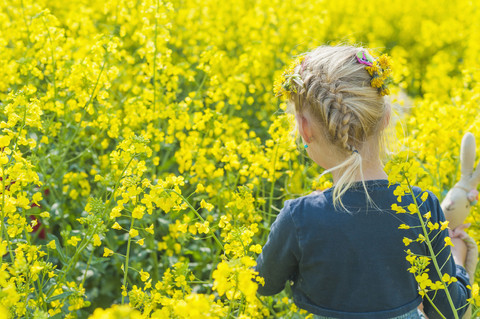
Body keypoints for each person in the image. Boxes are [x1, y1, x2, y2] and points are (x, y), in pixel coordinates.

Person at [255, 45, 471, 319]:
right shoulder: (421, 206)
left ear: (304, 129)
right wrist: (457, 258)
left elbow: (263, 284)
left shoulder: (299, 217)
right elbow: (447, 311)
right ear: (386, 119)